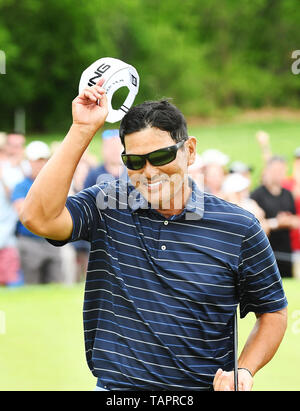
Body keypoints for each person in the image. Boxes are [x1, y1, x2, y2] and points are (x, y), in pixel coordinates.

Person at [19, 79, 287, 391]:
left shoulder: (239, 227)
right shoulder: (108, 204)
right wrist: (82, 128)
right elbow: (37, 217)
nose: (148, 171)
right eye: (135, 161)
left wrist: (244, 370)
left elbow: (273, 311)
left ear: (190, 150)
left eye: (160, 157)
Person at [12, 141, 63, 284]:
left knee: (56, 285)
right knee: (32, 285)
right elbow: (24, 213)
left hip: (53, 241)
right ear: (29, 162)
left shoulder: (55, 183)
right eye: (36, 161)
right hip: (30, 242)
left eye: (43, 160)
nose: (40, 164)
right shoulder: (21, 186)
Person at [251, 156, 300, 278]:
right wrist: (277, 223)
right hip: (266, 251)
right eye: (275, 171)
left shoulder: (287, 194)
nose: (278, 174)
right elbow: (254, 224)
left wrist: (288, 221)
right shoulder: (257, 195)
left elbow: (295, 219)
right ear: (267, 171)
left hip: (286, 250)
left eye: (281, 171)